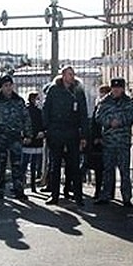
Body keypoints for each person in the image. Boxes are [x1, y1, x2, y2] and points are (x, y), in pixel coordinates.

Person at [42, 66, 88, 206]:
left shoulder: (78, 90)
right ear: (63, 75)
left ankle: (78, 196)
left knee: (74, 165)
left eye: (73, 74)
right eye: (69, 74)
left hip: (72, 132)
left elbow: (83, 113)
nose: (72, 77)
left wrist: (84, 135)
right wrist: (47, 129)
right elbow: (46, 109)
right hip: (56, 131)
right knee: (55, 166)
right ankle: (54, 195)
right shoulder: (54, 90)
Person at [0, 74, 31, 200]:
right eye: (6, 85)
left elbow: (26, 118)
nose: (9, 88)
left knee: (17, 165)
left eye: (10, 85)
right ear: (1, 87)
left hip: (15, 136)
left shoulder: (19, 101)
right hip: (1, 136)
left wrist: (28, 134)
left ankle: (18, 190)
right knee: (0, 165)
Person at [95, 78, 133, 206]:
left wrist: (120, 121)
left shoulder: (128, 102)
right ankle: (106, 195)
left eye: (119, 88)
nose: (116, 90)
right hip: (109, 141)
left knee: (124, 171)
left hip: (123, 141)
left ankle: (126, 197)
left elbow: (132, 116)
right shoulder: (104, 101)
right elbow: (98, 117)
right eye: (114, 88)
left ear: (123, 89)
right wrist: (109, 122)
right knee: (108, 170)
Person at [22, 91, 45, 192]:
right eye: (37, 99)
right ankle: (31, 185)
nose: (38, 101)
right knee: (32, 164)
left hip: (29, 139)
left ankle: (23, 184)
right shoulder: (37, 111)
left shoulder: (27, 111)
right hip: (35, 140)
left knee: (26, 163)